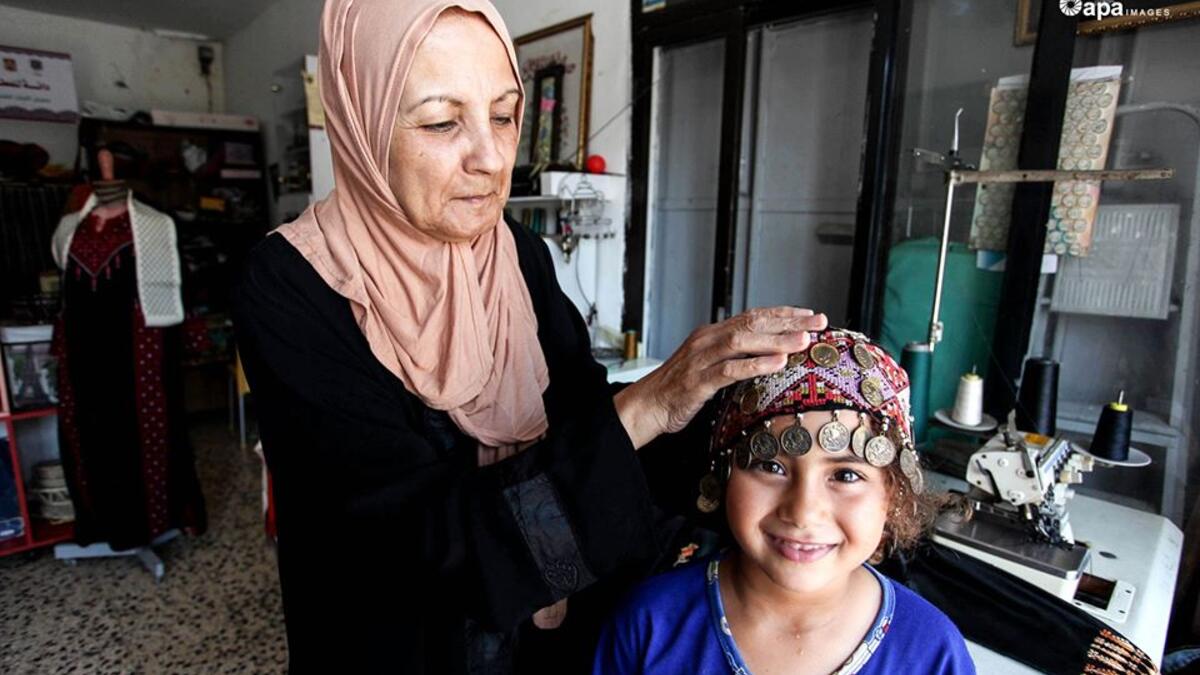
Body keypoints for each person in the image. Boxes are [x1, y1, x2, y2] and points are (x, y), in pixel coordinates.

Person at [232, 0, 827, 671]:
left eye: (505, 114)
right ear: (363, 122)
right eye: (440, 121)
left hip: (537, 642)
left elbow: (585, 427)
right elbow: (412, 537)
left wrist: (736, 413)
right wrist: (647, 405)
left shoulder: (515, 253)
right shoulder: (290, 286)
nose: (489, 159)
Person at [594, 329, 975, 674]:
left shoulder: (932, 654)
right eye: (770, 466)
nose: (803, 511)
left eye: (845, 475)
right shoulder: (649, 626)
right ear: (724, 477)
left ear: (891, 495)